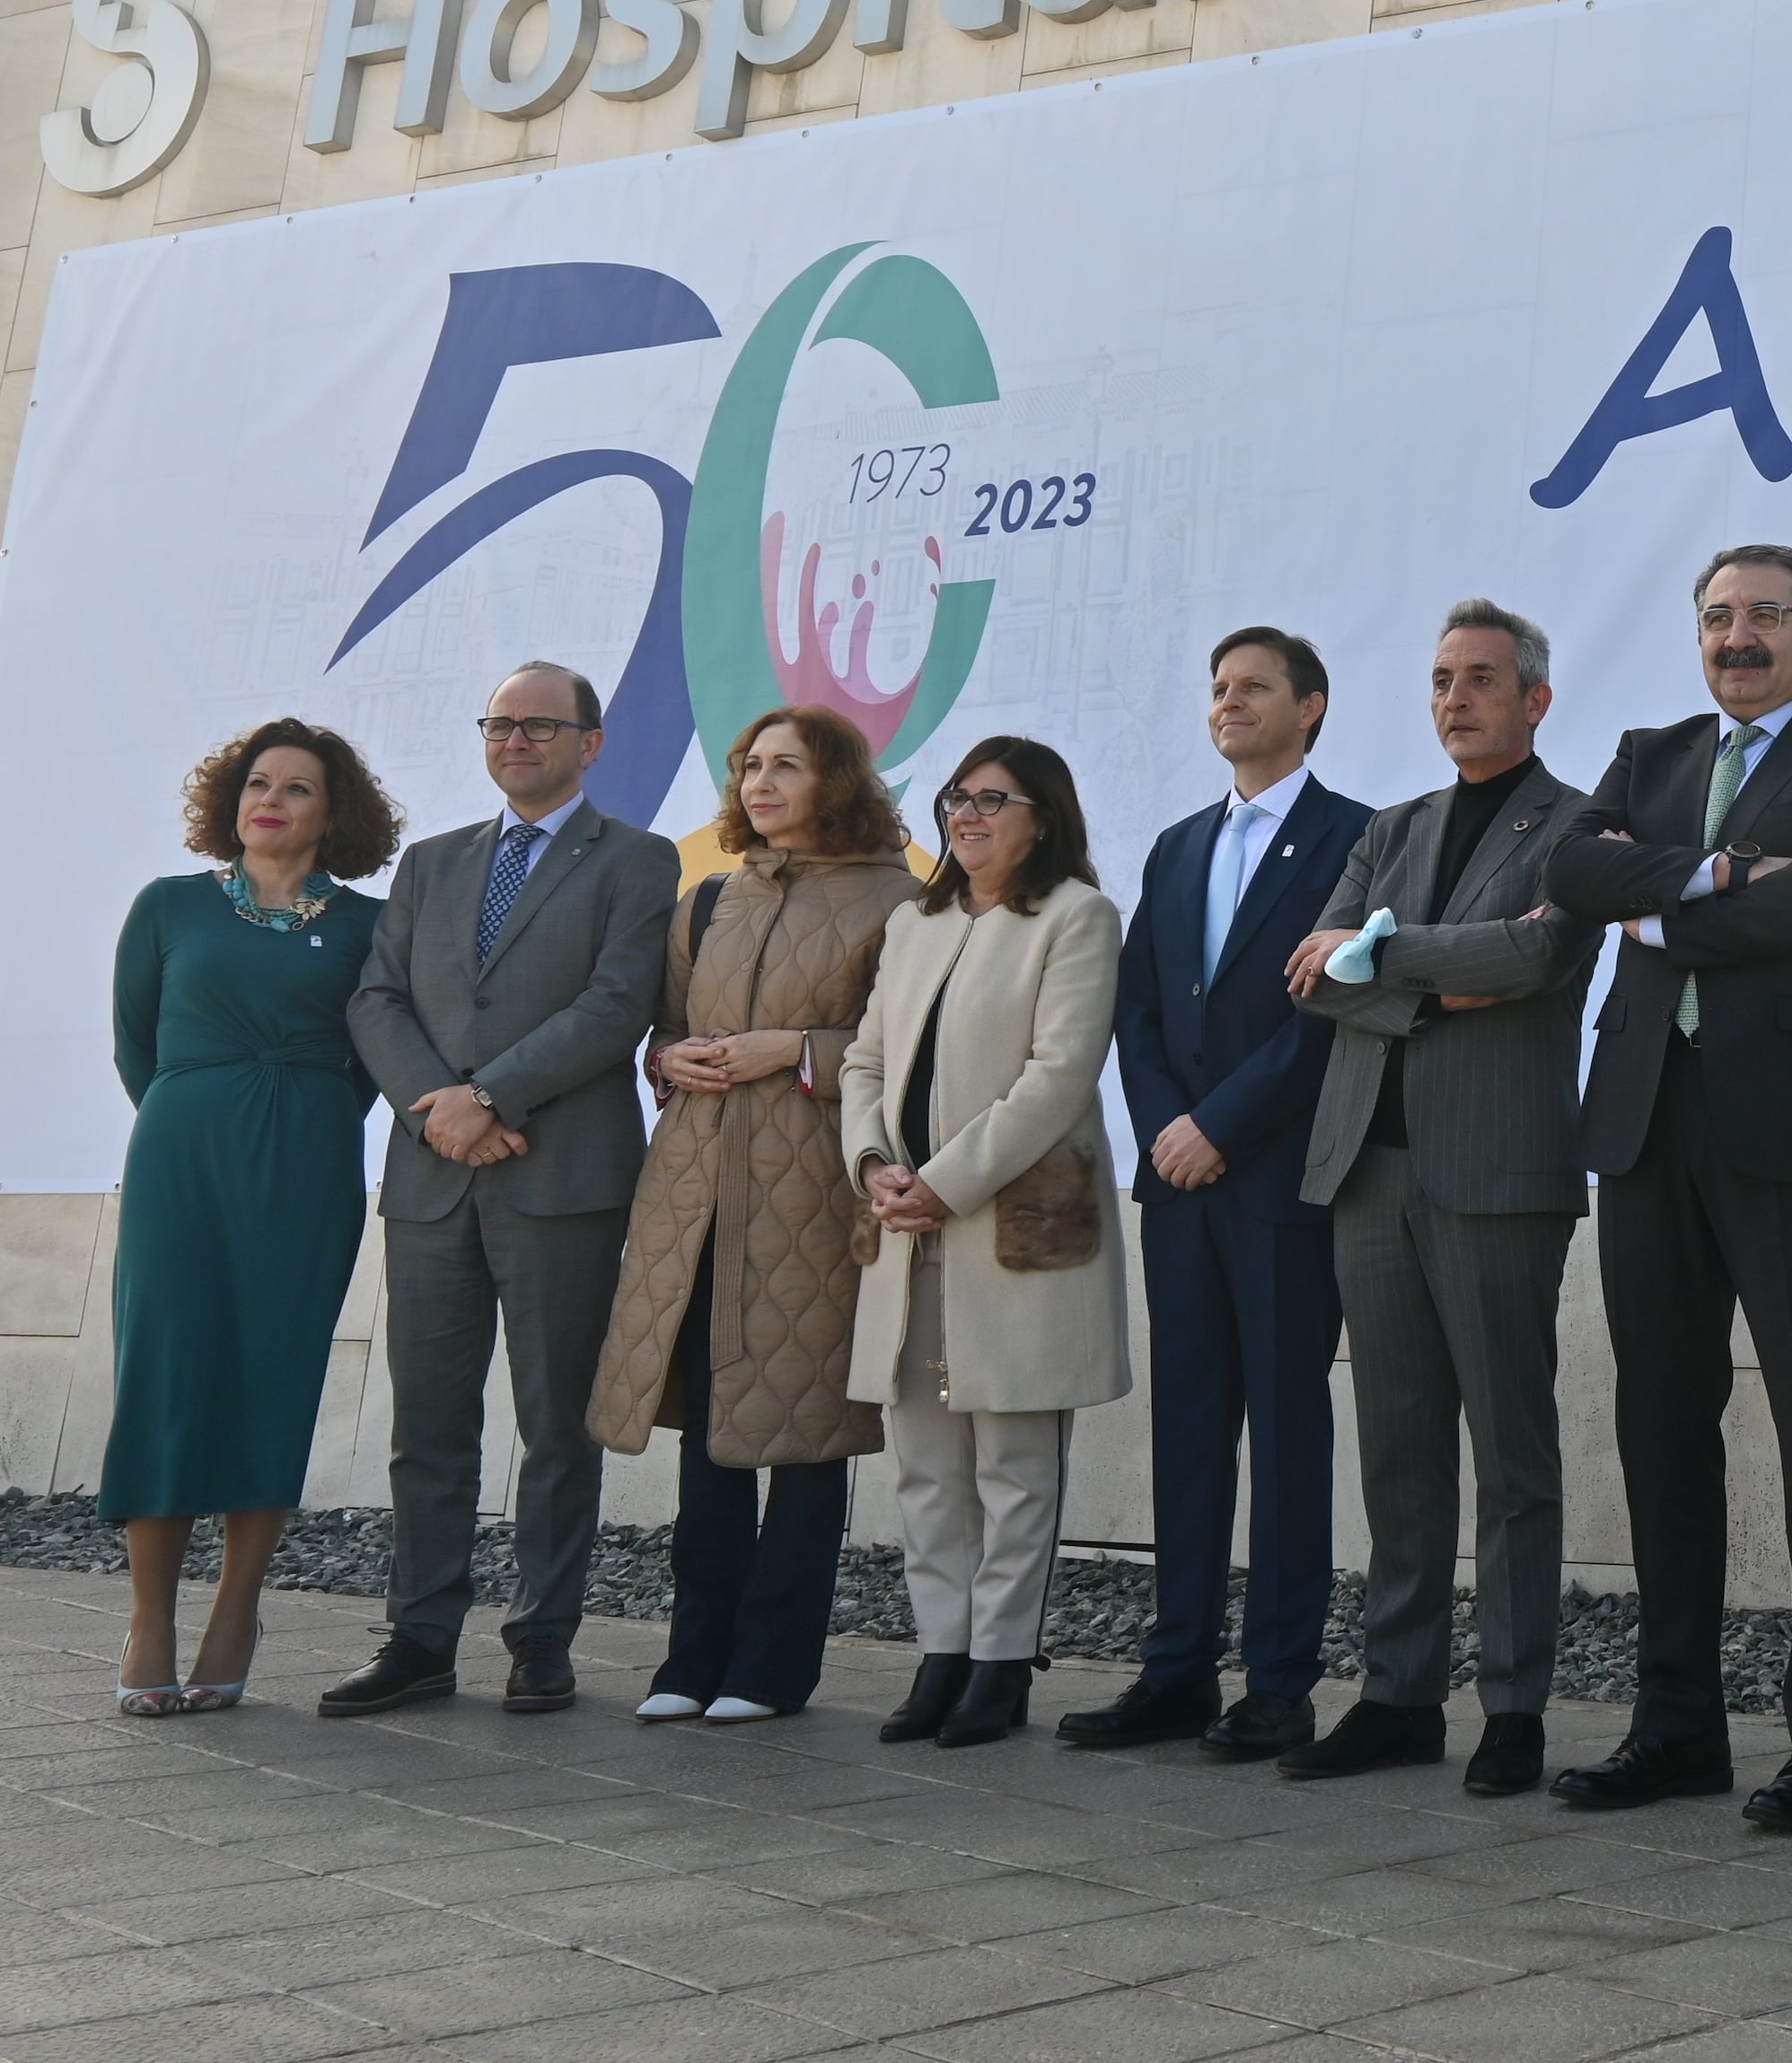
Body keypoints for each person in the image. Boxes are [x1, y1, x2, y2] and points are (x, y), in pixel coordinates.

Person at [1543, 546, 1792, 1830]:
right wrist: (1716, 877)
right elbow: (1569, 874)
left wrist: (1650, 906)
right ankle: (1677, 1726)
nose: (1739, 636)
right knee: (1660, 1426)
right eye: (1718, 617)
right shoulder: (1651, 755)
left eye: (1765, 615)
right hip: (1650, 1120)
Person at [1282, 601, 1599, 1798]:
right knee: (1397, 1450)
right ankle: (1400, 1695)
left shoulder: (1579, 824)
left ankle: (1513, 1704)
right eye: (1439, 680)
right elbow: (1314, 979)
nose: (1455, 699)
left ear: (1534, 699)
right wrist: (1426, 970)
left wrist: (1384, 951)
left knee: (1513, 1456)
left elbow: (1533, 960)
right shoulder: (1392, 826)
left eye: (1479, 679)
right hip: (1374, 1167)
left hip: (1500, 1174)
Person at [332, 663, 678, 1717]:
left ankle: (542, 1638)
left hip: (560, 1181)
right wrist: (439, 1105)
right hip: (433, 1177)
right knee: (427, 1426)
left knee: (556, 1424)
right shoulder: (432, 864)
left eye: (540, 724)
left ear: (591, 742)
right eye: (499, 723)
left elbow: (617, 1004)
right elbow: (377, 999)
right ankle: (420, 1638)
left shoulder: (636, 860)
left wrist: (491, 1095)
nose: (516, 738)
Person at [1067, 629, 1371, 1763]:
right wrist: (1162, 1134)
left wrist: (1220, 1129)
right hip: (1181, 1185)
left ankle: (1280, 1683)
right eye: (1218, 689)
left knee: (1288, 1427)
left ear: (1313, 707)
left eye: (1254, 688)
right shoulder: (1179, 844)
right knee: (1189, 1428)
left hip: (1279, 1179)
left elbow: (1325, 1015)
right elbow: (1139, 1008)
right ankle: (1177, 1668)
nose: (1229, 703)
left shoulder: (1355, 838)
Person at [586, 707, 914, 1726]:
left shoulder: (899, 900)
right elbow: (673, 1027)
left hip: (815, 1192)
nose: (760, 782)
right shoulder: (710, 896)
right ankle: (691, 1659)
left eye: (786, 765)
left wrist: (799, 1052)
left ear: (839, 781)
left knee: (807, 1432)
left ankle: (772, 1668)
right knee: (707, 1428)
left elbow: (900, 1046)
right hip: (694, 1189)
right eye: (749, 765)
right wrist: (664, 1057)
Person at [102, 722, 399, 1716]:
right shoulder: (169, 907)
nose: (269, 800)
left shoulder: (368, 925)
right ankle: (150, 1617)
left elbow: (372, 1059)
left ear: (333, 813)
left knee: (275, 1370)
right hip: (181, 1155)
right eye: (256, 783)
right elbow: (136, 1047)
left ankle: (237, 1608)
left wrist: (298, 1113)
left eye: (297, 788)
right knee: (165, 1368)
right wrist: (209, 1104)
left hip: (307, 1165)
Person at [845, 736, 1133, 1751]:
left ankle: (1003, 1664)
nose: (966, 816)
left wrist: (945, 1182)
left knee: (1014, 1462)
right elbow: (863, 1063)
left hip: (1007, 1226)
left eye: (992, 800)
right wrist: (874, 1163)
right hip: (903, 1225)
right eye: (956, 798)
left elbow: (1058, 1078)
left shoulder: (1076, 918)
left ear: (1041, 817)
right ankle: (942, 1653)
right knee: (925, 1461)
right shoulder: (912, 923)